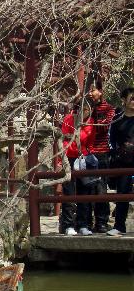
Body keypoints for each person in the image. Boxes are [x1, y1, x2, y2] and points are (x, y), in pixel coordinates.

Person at [59, 98, 96, 236]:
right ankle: (68, 225)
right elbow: (62, 141)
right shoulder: (69, 119)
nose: (85, 112)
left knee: (84, 192)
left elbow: (91, 141)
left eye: (88, 109)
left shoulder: (91, 122)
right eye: (83, 108)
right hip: (69, 156)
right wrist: (60, 161)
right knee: (69, 192)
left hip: (83, 158)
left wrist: (87, 154)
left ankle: (83, 224)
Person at [87, 82, 115, 233]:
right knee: (87, 188)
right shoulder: (86, 107)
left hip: (102, 152)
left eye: (93, 90)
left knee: (101, 188)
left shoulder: (109, 108)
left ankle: (101, 222)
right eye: (89, 91)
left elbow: (104, 127)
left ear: (101, 91)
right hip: (88, 152)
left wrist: (92, 118)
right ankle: (87, 221)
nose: (90, 94)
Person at [107, 87, 134, 237]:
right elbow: (110, 141)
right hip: (124, 161)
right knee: (122, 193)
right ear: (124, 100)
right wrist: (116, 153)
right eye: (132, 98)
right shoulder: (117, 119)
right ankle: (119, 226)